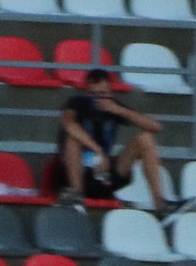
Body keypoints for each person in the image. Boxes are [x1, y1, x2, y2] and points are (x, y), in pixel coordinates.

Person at [57, 68, 172, 211]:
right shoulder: (77, 103)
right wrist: (97, 150)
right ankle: (77, 197)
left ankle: (160, 203)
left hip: (105, 173)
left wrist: (119, 110)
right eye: (93, 94)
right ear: (86, 92)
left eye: (103, 94)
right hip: (80, 172)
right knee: (72, 140)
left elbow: (155, 126)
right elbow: (69, 124)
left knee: (146, 139)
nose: (98, 99)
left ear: (110, 93)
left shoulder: (113, 106)